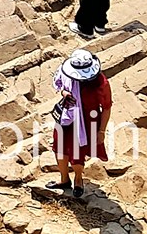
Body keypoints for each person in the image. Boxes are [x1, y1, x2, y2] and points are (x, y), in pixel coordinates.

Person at [49, 49, 112, 196]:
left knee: (77, 151)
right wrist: (64, 93)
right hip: (66, 116)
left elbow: (107, 107)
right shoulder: (66, 74)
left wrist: (101, 131)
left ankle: (78, 179)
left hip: (87, 120)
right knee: (59, 147)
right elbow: (61, 86)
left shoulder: (101, 83)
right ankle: (64, 179)